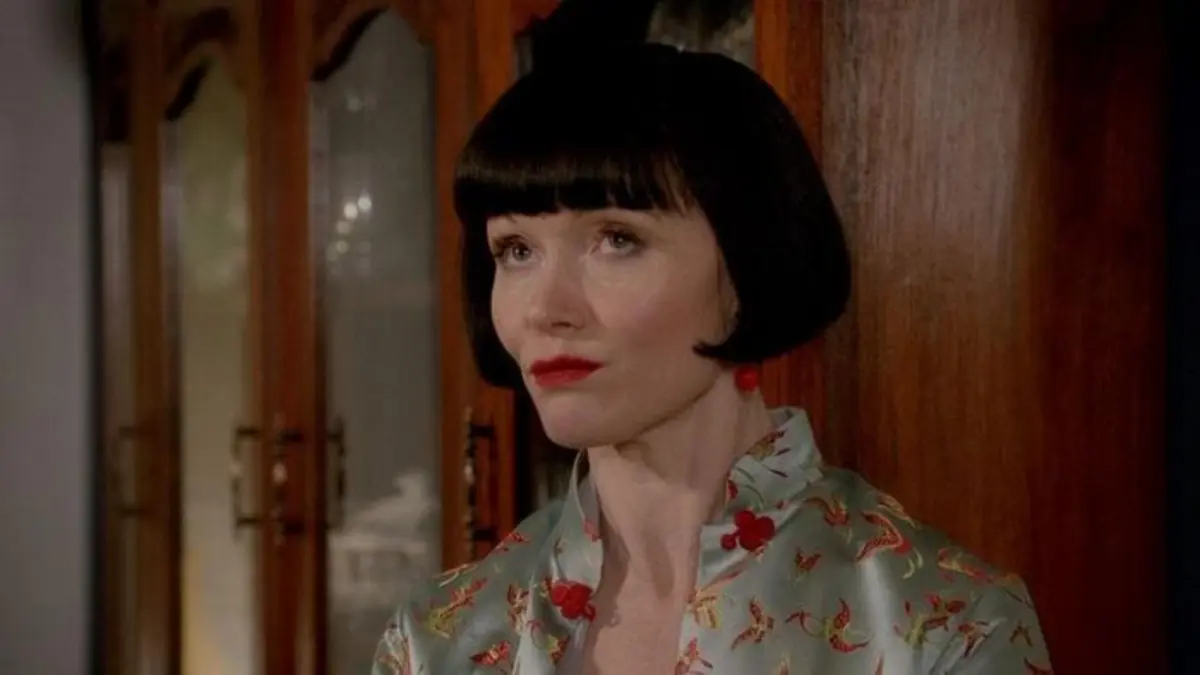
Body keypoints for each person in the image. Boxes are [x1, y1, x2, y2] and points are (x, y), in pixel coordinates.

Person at [371, 43, 1052, 675]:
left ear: (748, 261)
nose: (545, 308)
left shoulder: (943, 627)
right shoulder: (438, 641)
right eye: (516, 250)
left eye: (616, 239)